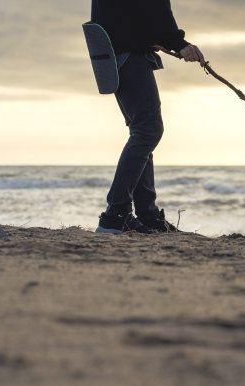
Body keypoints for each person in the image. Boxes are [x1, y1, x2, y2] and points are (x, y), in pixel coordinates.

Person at [91, 0, 205, 234]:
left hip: (114, 56)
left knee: (142, 131)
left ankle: (146, 214)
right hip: (128, 56)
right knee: (148, 130)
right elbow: (152, 7)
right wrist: (178, 42)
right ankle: (115, 214)